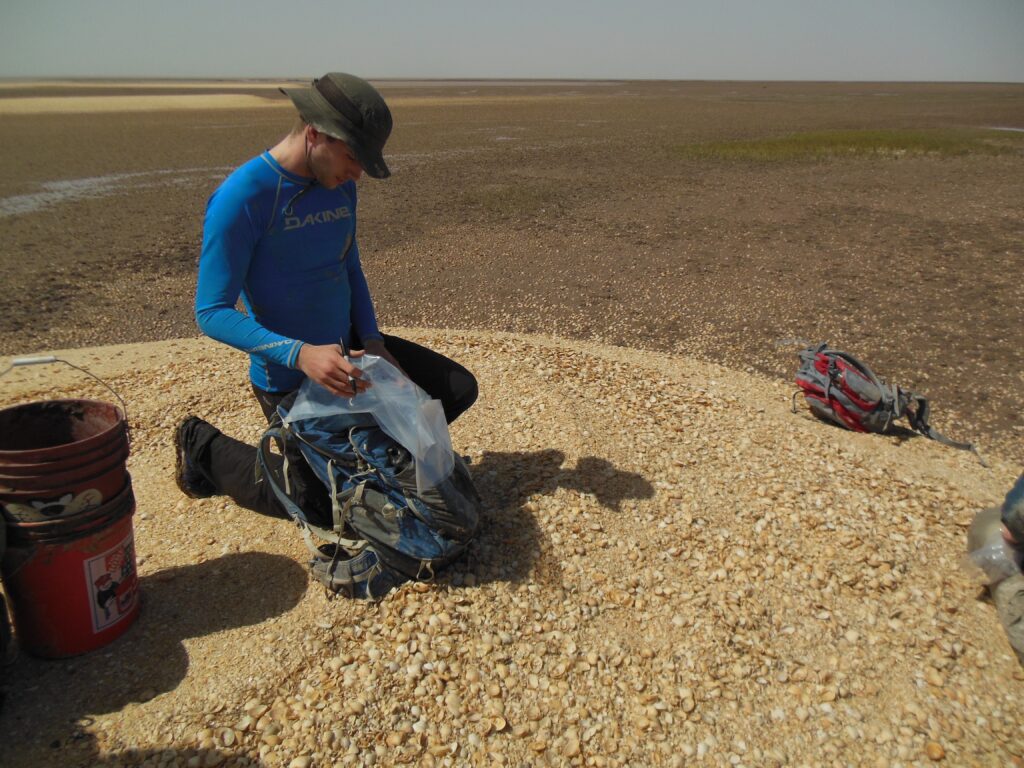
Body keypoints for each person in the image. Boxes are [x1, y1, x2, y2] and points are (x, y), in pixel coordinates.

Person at [175, 72, 477, 522]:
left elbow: (347, 266)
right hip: (289, 374)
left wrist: (374, 341)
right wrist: (300, 356)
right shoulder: (242, 198)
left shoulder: (340, 185)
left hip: (352, 351)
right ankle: (202, 448)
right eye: (353, 157)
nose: (357, 173)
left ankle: (361, 459)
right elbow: (211, 312)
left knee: (454, 390)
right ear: (314, 134)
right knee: (318, 507)